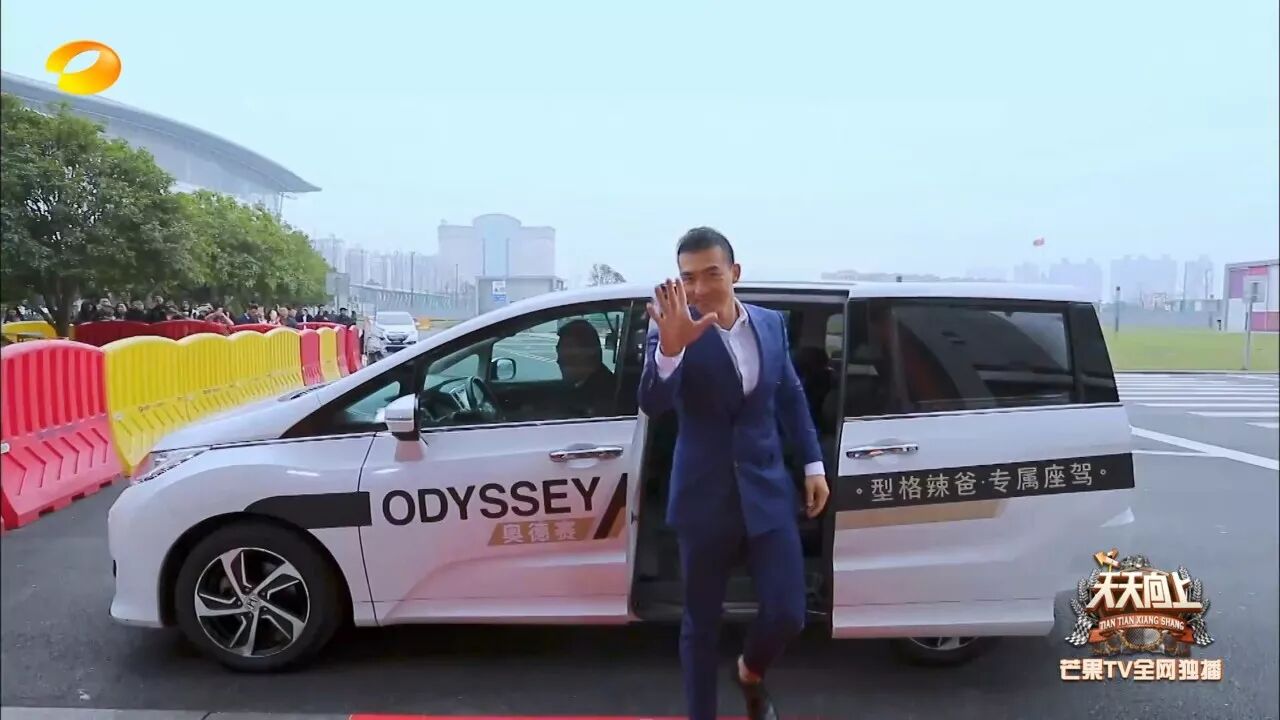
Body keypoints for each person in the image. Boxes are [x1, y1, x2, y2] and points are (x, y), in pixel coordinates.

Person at [638, 227, 829, 720]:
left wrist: (813, 463)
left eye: (711, 275)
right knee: (700, 625)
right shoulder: (671, 330)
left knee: (788, 612)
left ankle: (749, 670)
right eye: (687, 278)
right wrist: (671, 351)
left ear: (735, 273)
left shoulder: (769, 323)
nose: (698, 289)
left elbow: (790, 394)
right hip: (704, 499)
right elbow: (653, 402)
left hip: (767, 491)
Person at [555, 319, 617, 417]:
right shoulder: (588, 386)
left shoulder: (601, 395)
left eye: (567, 356)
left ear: (590, 354)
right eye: (560, 354)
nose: (559, 361)